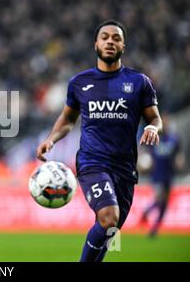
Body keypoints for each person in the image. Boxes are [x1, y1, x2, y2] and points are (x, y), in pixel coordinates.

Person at [36, 20, 162, 262]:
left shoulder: (139, 83)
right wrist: (50, 140)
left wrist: (153, 128)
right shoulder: (80, 83)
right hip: (92, 162)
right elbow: (67, 119)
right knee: (108, 218)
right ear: (96, 44)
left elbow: (155, 118)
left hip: (125, 168)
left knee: (108, 229)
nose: (110, 42)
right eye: (105, 37)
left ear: (123, 46)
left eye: (116, 38)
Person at [140, 114, 184, 237]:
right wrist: (144, 162)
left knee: (164, 204)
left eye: (166, 121)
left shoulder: (174, 139)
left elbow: (179, 153)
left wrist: (179, 160)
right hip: (157, 174)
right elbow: (145, 152)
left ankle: (154, 229)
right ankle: (147, 211)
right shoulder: (154, 137)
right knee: (160, 198)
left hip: (169, 174)